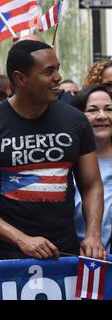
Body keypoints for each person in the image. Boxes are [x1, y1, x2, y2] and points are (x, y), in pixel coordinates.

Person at [0, 40, 107, 261]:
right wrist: (22, 239)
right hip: (6, 260)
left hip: (64, 255)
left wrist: (93, 235)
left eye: (57, 69)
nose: (58, 77)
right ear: (21, 78)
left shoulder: (76, 121)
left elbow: (91, 185)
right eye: (48, 71)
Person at [71, 85, 112, 253]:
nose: (102, 116)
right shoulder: (66, 165)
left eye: (109, 109)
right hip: (74, 264)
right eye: (93, 110)